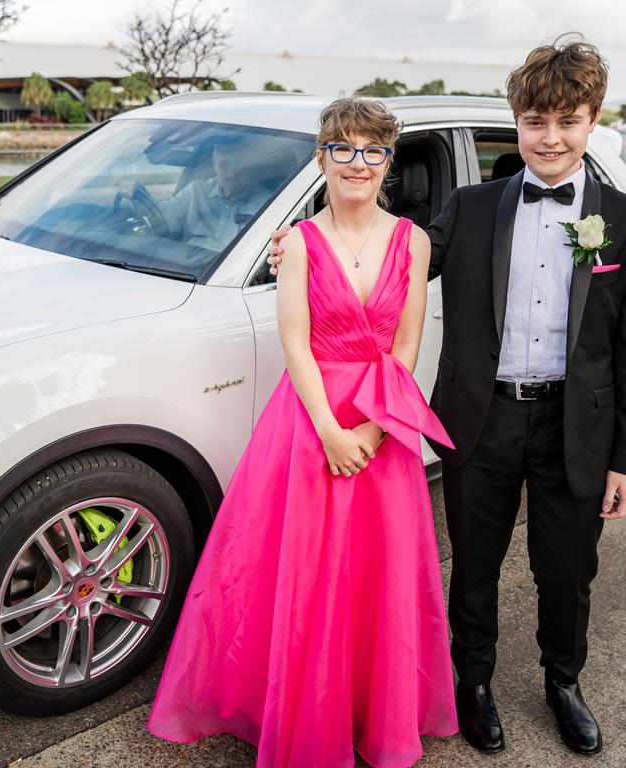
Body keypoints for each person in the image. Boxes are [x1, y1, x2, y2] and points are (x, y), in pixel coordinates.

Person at [267, 36, 626, 757]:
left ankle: (564, 682)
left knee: (567, 568)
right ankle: (475, 683)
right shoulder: (471, 206)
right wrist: (301, 246)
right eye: (533, 121)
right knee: (476, 562)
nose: (549, 138)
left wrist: (622, 456)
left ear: (592, 121)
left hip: (576, 425)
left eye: (566, 120)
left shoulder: (621, 219)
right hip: (481, 417)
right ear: (517, 121)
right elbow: (387, 250)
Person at [147, 98, 458, 768]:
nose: (358, 162)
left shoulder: (413, 241)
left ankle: (372, 716)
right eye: (342, 148)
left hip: (382, 422)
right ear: (321, 159)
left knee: (377, 577)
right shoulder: (300, 243)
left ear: (388, 163)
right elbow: (296, 343)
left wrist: (374, 431)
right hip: (308, 421)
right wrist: (330, 431)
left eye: (373, 150)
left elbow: (405, 344)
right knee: (303, 574)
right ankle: (303, 716)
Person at [118, 137, 274, 251]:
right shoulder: (196, 191)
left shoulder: (266, 205)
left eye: (239, 164)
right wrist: (140, 197)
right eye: (224, 165)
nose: (231, 172)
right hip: (182, 268)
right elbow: (161, 220)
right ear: (214, 164)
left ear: (251, 166)